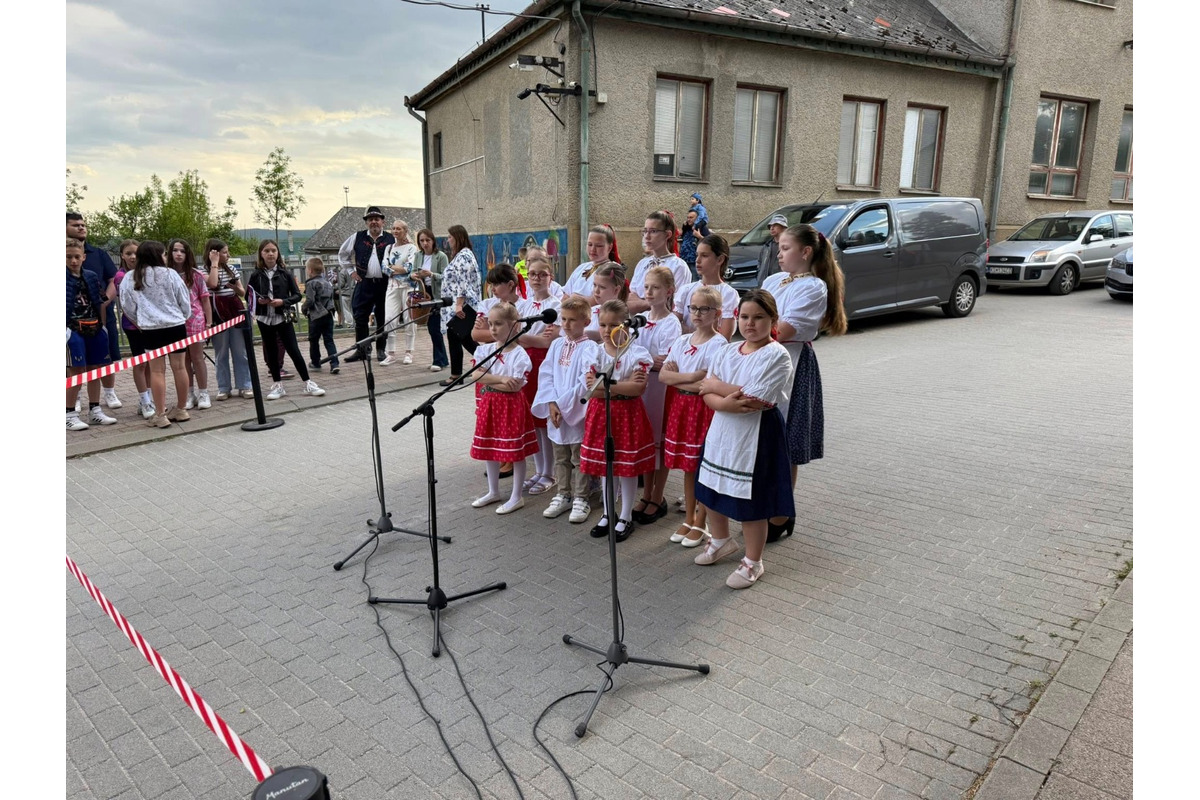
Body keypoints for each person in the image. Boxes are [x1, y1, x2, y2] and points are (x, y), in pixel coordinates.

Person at [693, 290, 795, 589]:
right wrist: (723, 401)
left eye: (759, 317)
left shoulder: (777, 355)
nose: (750, 323)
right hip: (723, 428)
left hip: (757, 434)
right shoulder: (727, 350)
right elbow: (705, 389)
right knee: (711, 487)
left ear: (773, 320)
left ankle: (753, 561)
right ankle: (721, 540)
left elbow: (754, 397)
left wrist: (716, 388)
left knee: (751, 499)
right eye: (745, 316)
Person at [761, 223, 848, 541]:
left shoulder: (813, 287)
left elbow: (781, 331)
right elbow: (760, 321)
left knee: (784, 440)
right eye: (779, 248)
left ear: (806, 252)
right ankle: (764, 504)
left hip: (792, 365)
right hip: (762, 361)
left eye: (785, 248)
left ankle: (782, 512)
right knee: (764, 439)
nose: (779, 254)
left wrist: (758, 328)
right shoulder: (774, 280)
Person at [579, 299, 656, 542]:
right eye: (602, 324)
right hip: (601, 413)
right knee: (606, 465)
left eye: (612, 324)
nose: (605, 329)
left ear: (625, 325)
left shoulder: (637, 354)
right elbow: (591, 387)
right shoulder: (594, 351)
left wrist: (609, 386)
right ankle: (607, 512)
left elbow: (638, 388)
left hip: (627, 413)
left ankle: (625, 516)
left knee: (626, 467)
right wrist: (621, 387)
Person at [660, 285, 727, 546]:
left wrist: (685, 380)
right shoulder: (681, 341)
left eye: (704, 309)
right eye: (693, 308)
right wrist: (689, 377)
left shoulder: (718, 344)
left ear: (717, 313)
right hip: (681, 407)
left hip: (703, 409)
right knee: (688, 468)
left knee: (702, 466)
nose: (697, 313)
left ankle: (702, 521)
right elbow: (665, 376)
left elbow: (707, 385)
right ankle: (688, 517)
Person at [468, 302, 539, 515]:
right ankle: (493, 491)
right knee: (491, 448)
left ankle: (516, 496)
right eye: (490, 324)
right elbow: (474, 375)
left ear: (514, 326)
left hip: (510, 406)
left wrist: (489, 380)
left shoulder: (519, 355)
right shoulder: (485, 350)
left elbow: (514, 386)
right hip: (490, 404)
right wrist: (500, 378)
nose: (493, 329)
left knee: (515, 453)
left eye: (498, 324)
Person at [531, 295, 597, 524]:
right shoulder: (557, 344)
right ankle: (563, 493)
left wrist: (562, 404)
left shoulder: (590, 348)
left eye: (572, 320)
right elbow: (546, 373)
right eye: (564, 319)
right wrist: (550, 402)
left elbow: (584, 381)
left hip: (575, 412)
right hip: (556, 411)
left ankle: (581, 497)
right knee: (560, 456)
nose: (566, 325)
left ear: (586, 322)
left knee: (579, 457)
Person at [118, 240, 193, 428]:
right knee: (180, 367)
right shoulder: (171, 274)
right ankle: (182, 408)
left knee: (157, 371)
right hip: (175, 325)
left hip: (151, 329)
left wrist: (139, 321)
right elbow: (184, 299)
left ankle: (160, 414)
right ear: (158, 255)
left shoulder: (131, 277)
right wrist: (183, 316)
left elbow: (127, 305)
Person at [631, 265, 682, 527]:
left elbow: (667, 361)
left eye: (656, 288)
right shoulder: (640, 318)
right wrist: (648, 360)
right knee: (648, 441)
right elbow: (632, 353)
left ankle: (658, 495)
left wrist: (645, 360)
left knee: (659, 442)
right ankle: (647, 492)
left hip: (660, 389)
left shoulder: (670, 322)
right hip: (641, 386)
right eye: (647, 287)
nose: (649, 292)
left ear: (669, 291)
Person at [247, 239, 326, 401]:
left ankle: (308, 382)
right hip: (264, 318)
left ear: (278, 254)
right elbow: (248, 295)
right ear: (261, 254)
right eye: (266, 251)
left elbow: (297, 295)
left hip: (282, 317)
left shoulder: (285, 273)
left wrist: (283, 302)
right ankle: (278, 385)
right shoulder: (255, 275)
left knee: (293, 350)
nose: (270, 254)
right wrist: (258, 300)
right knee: (271, 351)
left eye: (273, 251)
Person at [517, 255, 563, 496]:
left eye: (541, 274)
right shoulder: (523, 305)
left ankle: (550, 472)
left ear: (550, 277)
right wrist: (526, 339)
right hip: (525, 363)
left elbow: (548, 341)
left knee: (544, 419)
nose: (536, 278)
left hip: (542, 363)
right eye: (532, 274)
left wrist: (523, 338)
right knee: (532, 421)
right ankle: (539, 469)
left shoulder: (555, 306)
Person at [67, 212, 123, 409]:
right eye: (76, 225)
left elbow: (112, 280)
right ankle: (75, 400)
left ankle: (108, 394)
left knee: (104, 357)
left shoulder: (98, 253)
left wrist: (103, 301)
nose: (81, 228)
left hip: (100, 318)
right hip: (72, 323)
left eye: (83, 225)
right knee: (74, 362)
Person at [338, 206, 395, 363]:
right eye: (370, 219)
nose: (374, 222)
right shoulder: (357, 237)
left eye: (377, 219)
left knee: (383, 317)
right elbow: (342, 255)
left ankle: (381, 350)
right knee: (360, 317)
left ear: (383, 221)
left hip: (384, 283)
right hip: (364, 283)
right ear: (366, 223)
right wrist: (351, 272)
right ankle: (362, 350)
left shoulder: (391, 238)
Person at [204, 239, 253, 400]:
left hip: (234, 311)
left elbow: (242, 292)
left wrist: (235, 287)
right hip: (218, 313)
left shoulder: (231, 269)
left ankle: (245, 385)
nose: (228, 255)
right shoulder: (204, 270)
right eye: (224, 252)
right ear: (214, 253)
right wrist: (214, 264)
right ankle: (224, 387)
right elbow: (212, 284)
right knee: (221, 352)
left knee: (240, 352)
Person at [166, 239, 211, 410]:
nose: (178, 254)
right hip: (175, 322)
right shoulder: (167, 275)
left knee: (198, 357)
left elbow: (205, 300)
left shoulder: (196, 274)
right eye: (175, 250)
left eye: (182, 251)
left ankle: (204, 392)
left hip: (195, 320)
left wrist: (209, 322)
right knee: (183, 360)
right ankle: (189, 393)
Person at [114, 239, 155, 419]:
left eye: (136, 253)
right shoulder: (121, 276)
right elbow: (126, 305)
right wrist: (140, 324)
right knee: (140, 363)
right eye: (128, 253)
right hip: (133, 326)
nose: (132, 257)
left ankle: (149, 398)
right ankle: (144, 400)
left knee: (151, 364)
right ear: (122, 255)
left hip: (150, 325)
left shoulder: (146, 273)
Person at [439, 224, 482, 385]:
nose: (448, 240)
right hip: (458, 304)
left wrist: (458, 305)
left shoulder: (464, 256)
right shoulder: (461, 255)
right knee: (457, 336)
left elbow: (462, 282)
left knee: (463, 337)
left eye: (450, 237)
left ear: (458, 237)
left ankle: (489, 362)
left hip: (462, 305)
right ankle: (456, 374)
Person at [675, 233, 739, 340]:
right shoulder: (686, 290)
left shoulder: (728, 294)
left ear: (720, 259)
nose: (697, 260)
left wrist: (688, 330)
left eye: (704, 256)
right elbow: (673, 326)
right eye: (697, 255)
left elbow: (723, 338)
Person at [629, 212, 690, 315]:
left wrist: (641, 303)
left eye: (653, 231)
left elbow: (675, 305)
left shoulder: (679, 266)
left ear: (667, 234)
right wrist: (656, 301)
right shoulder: (642, 264)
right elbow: (630, 302)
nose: (647, 236)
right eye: (645, 231)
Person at [382, 219, 419, 366]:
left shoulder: (411, 248)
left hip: (409, 287)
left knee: (409, 318)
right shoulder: (389, 247)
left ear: (405, 231)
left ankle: (409, 352)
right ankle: (390, 353)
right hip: (392, 287)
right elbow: (384, 267)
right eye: (393, 229)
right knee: (389, 318)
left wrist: (392, 267)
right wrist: (396, 268)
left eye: (399, 229)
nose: (396, 231)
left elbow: (408, 268)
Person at [414, 228, 449, 372]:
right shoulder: (418, 255)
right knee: (431, 328)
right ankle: (442, 359)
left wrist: (432, 274)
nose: (425, 243)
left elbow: (446, 276)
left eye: (427, 240)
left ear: (433, 241)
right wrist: (414, 275)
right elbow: (413, 271)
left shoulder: (441, 256)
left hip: (437, 294)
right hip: (424, 292)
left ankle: (439, 360)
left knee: (435, 328)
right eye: (422, 241)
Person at [564, 224, 620, 303]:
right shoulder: (582, 267)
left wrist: (574, 298)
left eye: (599, 246)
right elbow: (565, 296)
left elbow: (597, 300)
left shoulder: (613, 269)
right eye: (590, 244)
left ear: (610, 247)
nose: (592, 249)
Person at [302, 257, 339, 375]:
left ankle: (316, 362)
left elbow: (310, 300)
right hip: (328, 314)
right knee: (329, 340)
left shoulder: (311, 283)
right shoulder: (327, 283)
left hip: (316, 316)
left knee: (313, 340)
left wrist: (304, 308)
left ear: (310, 271)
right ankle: (334, 364)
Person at [584, 262, 628, 341]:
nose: (596, 291)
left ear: (616, 290)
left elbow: (622, 341)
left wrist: (596, 336)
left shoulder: (623, 315)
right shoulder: (589, 312)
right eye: (594, 285)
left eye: (602, 287)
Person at [756, 214, 789, 286]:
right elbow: (760, 263)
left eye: (775, 225)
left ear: (784, 227)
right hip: (764, 285)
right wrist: (760, 276)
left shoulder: (789, 246)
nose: (772, 228)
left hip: (780, 285)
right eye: (770, 226)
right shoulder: (766, 246)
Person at [678, 209, 711, 276]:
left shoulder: (702, 229)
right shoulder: (686, 228)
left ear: (697, 218)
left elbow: (711, 242)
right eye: (688, 217)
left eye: (691, 217)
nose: (689, 219)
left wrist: (699, 236)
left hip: (695, 261)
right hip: (684, 260)